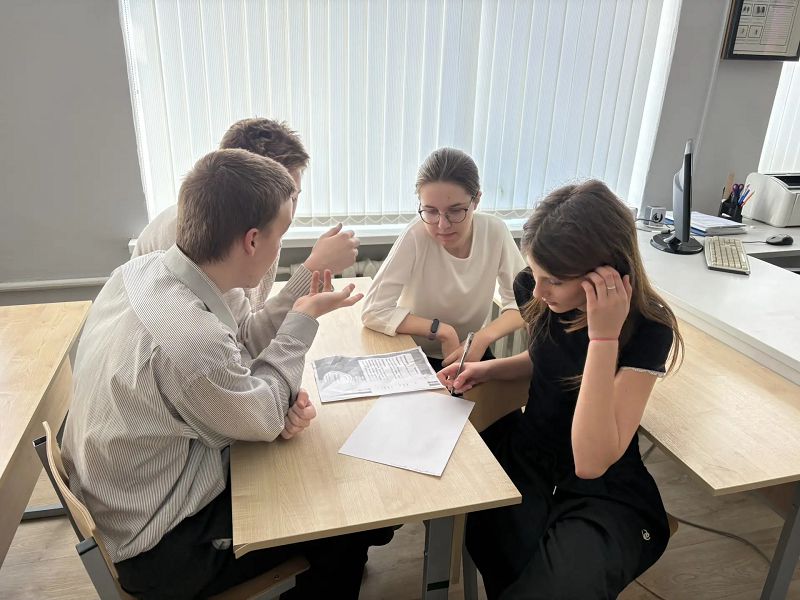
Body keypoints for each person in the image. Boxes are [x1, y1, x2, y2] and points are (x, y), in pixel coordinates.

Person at [62, 149, 376, 599]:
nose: (281, 246)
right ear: (252, 241)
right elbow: (264, 415)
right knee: (347, 519)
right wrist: (300, 327)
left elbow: (242, 377)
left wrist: (271, 398)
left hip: (126, 500)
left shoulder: (139, 272)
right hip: (163, 550)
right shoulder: (191, 340)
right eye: (282, 233)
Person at [438, 180, 684, 599]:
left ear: (605, 275)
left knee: (560, 585)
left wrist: (603, 337)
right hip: (530, 456)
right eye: (535, 273)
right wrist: (491, 369)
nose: (537, 291)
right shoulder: (539, 294)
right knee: (502, 553)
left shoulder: (648, 329)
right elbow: (549, 360)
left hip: (602, 484)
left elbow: (592, 461)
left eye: (552, 279)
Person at [133, 117, 360, 319]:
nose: (290, 213)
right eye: (287, 198)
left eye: (295, 197)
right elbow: (242, 339)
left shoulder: (260, 223)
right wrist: (312, 270)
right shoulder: (206, 235)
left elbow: (250, 320)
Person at [361, 147, 526, 371]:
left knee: (502, 394)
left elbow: (524, 303)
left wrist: (482, 337)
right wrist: (441, 330)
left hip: (469, 350)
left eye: (455, 211)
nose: (442, 225)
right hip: (415, 355)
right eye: (430, 211)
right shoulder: (415, 236)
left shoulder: (495, 231)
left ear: (476, 200)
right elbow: (373, 311)